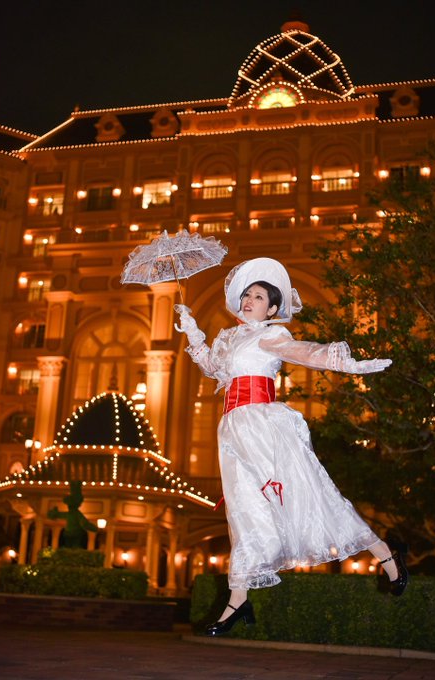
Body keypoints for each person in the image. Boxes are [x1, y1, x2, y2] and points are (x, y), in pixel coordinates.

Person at [175, 257, 408, 637]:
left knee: (310, 496)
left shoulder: (270, 335)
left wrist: (350, 365)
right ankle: (238, 599)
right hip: (232, 430)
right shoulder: (230, 338)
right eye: (247, 295)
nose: (249, 300)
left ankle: (386, 554)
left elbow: (306, 352)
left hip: (262, 427)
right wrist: (193, 333)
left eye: (258, 297)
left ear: (271, 309)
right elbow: (214, 369)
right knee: (244, 512)